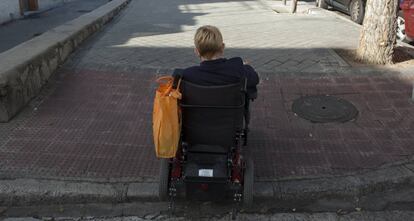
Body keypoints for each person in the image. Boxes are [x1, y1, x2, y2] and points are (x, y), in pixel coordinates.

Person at [174, 25, 259, 99]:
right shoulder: (237, 69)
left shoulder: (187, 75)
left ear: (197, 51)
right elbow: (255, 79)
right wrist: (244, 67)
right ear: (222, 47)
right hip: (230, 116)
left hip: (196, 117)